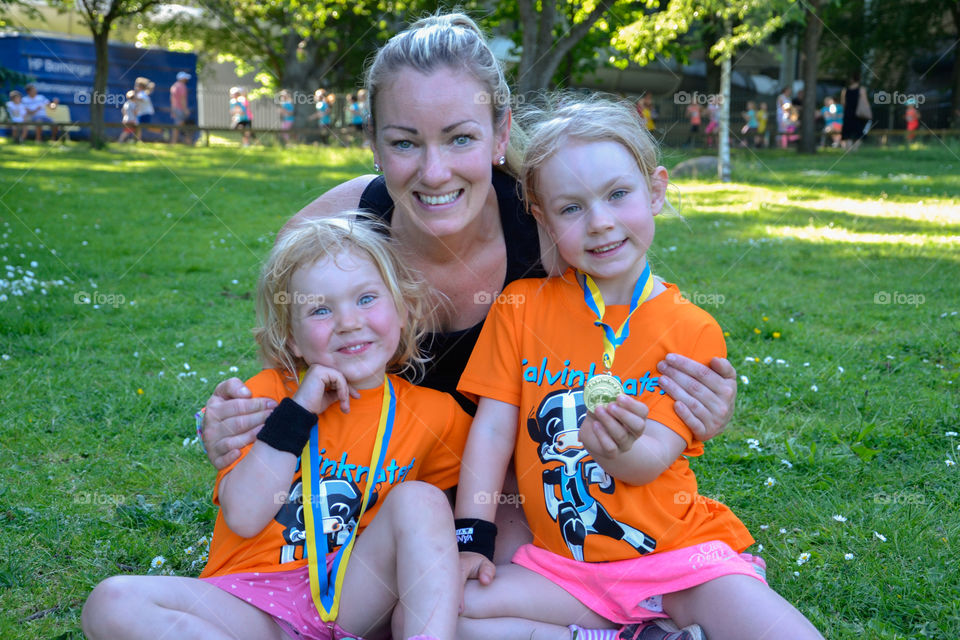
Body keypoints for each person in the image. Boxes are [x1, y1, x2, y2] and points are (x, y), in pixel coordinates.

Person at [200, 10, 740, 631]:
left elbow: (623, 324)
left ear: (501, 130)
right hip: (381, 478)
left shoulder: (545, 232)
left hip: (507, 478)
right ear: (373, 144)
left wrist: (698, 399)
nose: (434, 173)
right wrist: (234, 426)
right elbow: (298, 366)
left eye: (460, 138)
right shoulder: (330, 236)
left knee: (487, 575)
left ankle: (631, 617)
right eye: (404, 142)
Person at [454, 95, 824, 640]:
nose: (600, 223)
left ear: (655, 191)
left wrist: (618, 449)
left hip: (677, 561)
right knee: (453, 611)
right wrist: (472, 537)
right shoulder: (520, 307)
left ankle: (654, 624)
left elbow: (651, 458)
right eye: (571, 208)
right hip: (568, 572)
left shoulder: (691, 329)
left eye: (618, 195)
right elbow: (491, 429)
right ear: (541, 216)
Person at [82, 213, 468, 640]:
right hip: (248, 603)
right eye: (320, 309)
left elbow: (451, 512)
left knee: (421, 498)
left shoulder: (437, 413)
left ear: (403, 309)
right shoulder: (262, 397)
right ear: (291, 338)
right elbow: (245, 516)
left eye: (366, 299)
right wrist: (297, 411)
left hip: (351, 598)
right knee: (112, 602)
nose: (348, 321)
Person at [840, 73, 868, 150]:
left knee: (847, 134)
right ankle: (854, 149)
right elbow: (865, 102)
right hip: (858, 114)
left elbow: (843, 103)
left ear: (851, 80)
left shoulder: (845, 90)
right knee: (859, 133)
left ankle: (848, 151)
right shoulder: (861, 90)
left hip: (848, 113)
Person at [170, 71, 191, 144]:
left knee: (180, 125)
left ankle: (176, 142)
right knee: (180, 125)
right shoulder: (182, 86)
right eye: (185, 78)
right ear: (182, 79)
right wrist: (185, 109)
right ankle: (186, 141)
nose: (186, 80)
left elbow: (172, 99)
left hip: (175, 109)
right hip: (180, 109)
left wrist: (173, 110)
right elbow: (182, 99)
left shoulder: (174, 86)